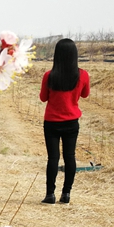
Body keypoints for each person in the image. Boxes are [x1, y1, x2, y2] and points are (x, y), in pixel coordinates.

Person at [39, 38, 90, 204]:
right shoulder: (82, 75)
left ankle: (50, 194)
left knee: (53, 158)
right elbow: (85, 94)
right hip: (71, 121)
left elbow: (43, 98)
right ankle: (66, 193)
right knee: (70, 156)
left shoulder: (49, 75)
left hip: (52, 121)